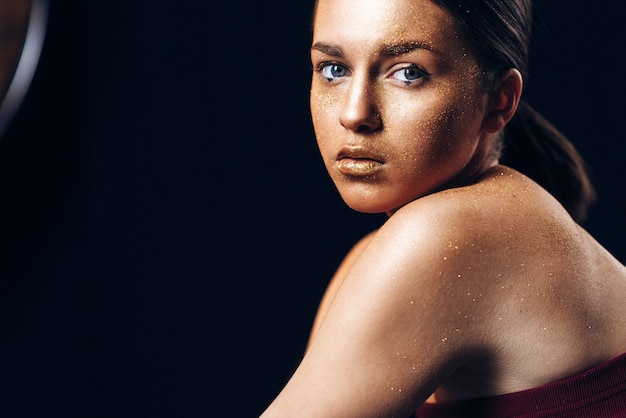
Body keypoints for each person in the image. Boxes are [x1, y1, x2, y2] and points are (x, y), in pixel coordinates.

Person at [261, 0, 626, 416]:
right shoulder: (371, 258)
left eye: (408, 73)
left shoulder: (447, 236)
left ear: (499, 100)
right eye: (333, 69)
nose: (354, 113)